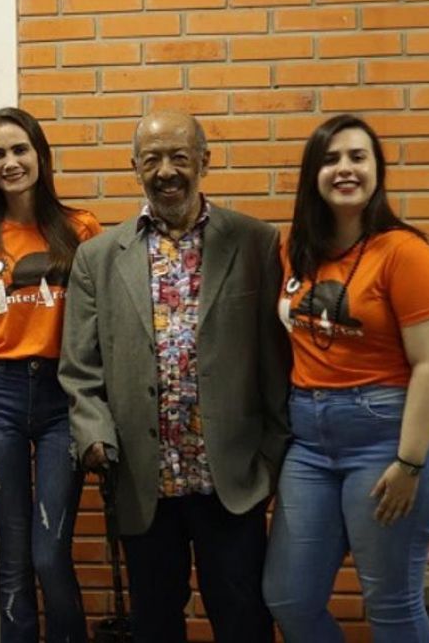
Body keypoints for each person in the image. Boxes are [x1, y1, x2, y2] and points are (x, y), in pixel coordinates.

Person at [59, 110, 291, 643]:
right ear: (134, 166)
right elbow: (79, 367)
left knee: (244, 621)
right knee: (156, 624)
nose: (166, 170)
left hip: (231, 481)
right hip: (144, 481)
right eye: (152, 159)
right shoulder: (97, 258)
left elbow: (276, 359)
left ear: (204, 161)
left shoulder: (256, 243)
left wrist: (272, 456)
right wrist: (93, 434)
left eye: (179, 157)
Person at [262, 115, 429, 642]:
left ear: (376, 170)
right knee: (290, 598)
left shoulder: (402, 251)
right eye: (331, 159)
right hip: (310, 444)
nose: (345, 168)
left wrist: (410, 462)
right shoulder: (294, 248)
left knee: (390, 603)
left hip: (389, 437)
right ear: (312, 175)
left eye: (357, 157)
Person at [0, 107, 99, 642]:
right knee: (11, 557)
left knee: (49, 552)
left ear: (40, 155)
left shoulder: (81, 230)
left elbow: (99, 331)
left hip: (64, 397)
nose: (10, 162)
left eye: (19, 150)